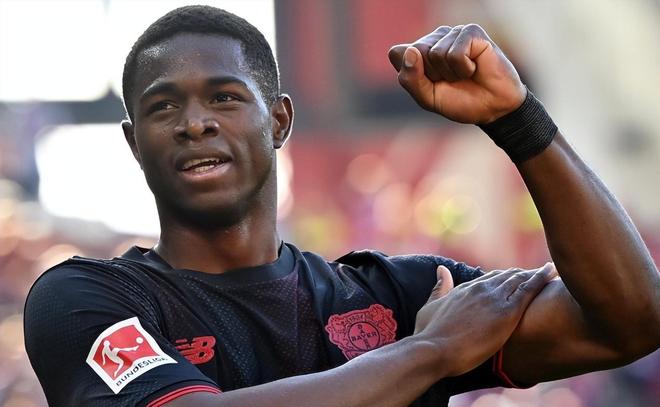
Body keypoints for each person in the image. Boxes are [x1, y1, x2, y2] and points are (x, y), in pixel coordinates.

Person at [23, 5, 659, 407]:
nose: (195, 123)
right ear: (135, 142)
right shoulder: (84, 299)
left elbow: (632, 321)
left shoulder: (406, 295)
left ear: (279, 121)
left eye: (224, 98)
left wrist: (517, 121)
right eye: (164, 107)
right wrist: (428, 353)